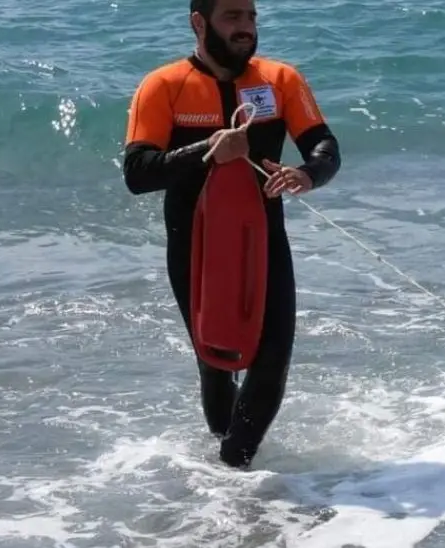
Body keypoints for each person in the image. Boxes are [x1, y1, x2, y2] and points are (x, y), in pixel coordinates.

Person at [120, 0, 341, 468]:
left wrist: (308, 174)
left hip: (263, 240)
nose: (246, 28)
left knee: (272, 356)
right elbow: (138, 173)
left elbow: (324, 146)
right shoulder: (163, 86)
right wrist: (207, 150)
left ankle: (233, 468)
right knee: (216, 357)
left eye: (251, 17)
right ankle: (227, 484)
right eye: (233, 17)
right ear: (199, 23)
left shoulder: (280, 80)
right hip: (195, 244)